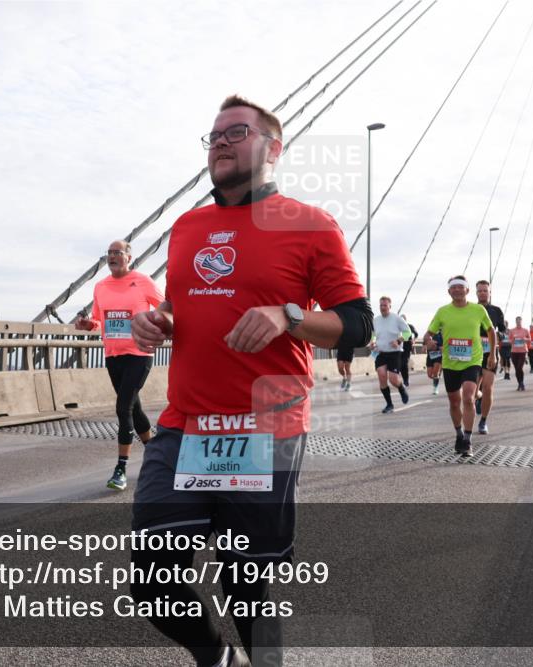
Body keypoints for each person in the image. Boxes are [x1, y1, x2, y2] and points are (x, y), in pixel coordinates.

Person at [130, 94, 372, 667]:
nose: (220, 142)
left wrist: (288, 315)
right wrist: (159, 320)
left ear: (273, 148)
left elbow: (357, 326)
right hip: (184, 425)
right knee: (152, 584)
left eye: (237, 132)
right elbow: (182, 304)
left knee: (247, 587)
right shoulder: (187, 227)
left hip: (263, 426)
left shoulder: (311, 225)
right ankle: (218, 659)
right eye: (213, 135)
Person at [75, 239, 164, 491]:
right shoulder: (100, 286)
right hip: (113, 356)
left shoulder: (143, 281)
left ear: (129, 257)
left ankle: (121, 469)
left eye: (117, 253)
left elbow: (168, 308)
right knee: (134, 410)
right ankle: (158, 458)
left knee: (123, 407)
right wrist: (87, 325)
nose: (112, 256)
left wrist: (156, 325)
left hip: (139, 354)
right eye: (109, 253)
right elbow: (98, 320)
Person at [424, 275, 496, 456]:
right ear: (449, 292)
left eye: (460, 287)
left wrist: (493, 355)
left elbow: (490, 331)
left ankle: (468, 439)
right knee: (454, 402)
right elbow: (428, 334)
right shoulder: (442, 312)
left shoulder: (478, 310)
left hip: (472, 361)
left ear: (467, 290)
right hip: (450, 362)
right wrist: (428, 341)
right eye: (453, 287)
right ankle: (458, 433)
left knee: (469, 397)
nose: (457, 290)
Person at [473, 280, 506, 434]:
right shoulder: (470, 309)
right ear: (476, 293)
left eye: (485, 290)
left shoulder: (496, 311)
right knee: (472, 392)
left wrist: (499, 334)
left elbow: (504, 331)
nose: (482, 293)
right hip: (472, 354)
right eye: (480, 291)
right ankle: (478, 397)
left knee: (488, 388)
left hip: (489, 353)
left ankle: (483, 422)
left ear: (490, 292)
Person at [370, 296, 411, 414]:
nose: (383, 308)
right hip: (381, 353)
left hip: (394, 353)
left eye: (385, 305)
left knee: (393, 380)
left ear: (390, 306)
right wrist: (372, 342)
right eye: (381, 305)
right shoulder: (376, 320)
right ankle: (389, 404)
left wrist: (398, 340)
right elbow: (373, 334)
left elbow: (408, 333)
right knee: (382, 376)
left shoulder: (397, 319)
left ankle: (401, 388)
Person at [508, 316, 531, 391]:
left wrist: (525, 339)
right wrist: (513, 340)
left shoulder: (525, 330)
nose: (518, 322)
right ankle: (519, 383)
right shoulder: (512, 330)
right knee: (516, 369)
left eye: (519, 321)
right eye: (517, 321)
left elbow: (529, 339)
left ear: (521, 321)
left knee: (519, 367)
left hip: (522, 351)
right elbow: (509, 341)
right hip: (514, 351)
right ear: (515, 322)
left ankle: (521, 383)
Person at [400, 315, 419, 388]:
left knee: (404, 363)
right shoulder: (397, 327)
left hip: (407, 347)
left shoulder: (409, 326)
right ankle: (405, 379)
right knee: (400, 365)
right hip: (398, 348)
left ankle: (406, 381)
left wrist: (413, 340)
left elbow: (416, 334)